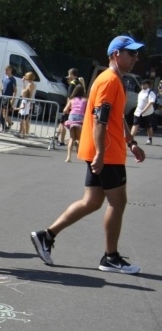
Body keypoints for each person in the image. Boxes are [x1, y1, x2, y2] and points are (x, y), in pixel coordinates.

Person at [31, 36, 146, 274]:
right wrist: (102, 153)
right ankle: (110, 257)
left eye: (136, 54)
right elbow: (99, 120)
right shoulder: (109, 81)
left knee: (92, 201)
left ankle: (46, 235)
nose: (136, 58)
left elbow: (117, 117)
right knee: (118, 202)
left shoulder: (115, 80)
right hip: (107, 152)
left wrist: (131, 141)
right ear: (116, 54)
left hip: (105, 149)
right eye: (131, 53)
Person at [56, 68, 85, 146]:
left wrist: (67, 107)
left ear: (72, 75)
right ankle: (57, 136)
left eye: (69, 74)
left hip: (71, 106)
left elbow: (69, 97)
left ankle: (61, 141)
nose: (68, 76)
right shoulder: (79, 83)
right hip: (77, 107)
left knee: (62, 123)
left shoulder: (72, 84)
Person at [62, 84, 87, 162]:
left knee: (72, 138)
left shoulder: (71, 100)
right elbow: (87, 110)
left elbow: (65, 110)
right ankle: (80, 155)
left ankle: (68, 157)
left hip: (72, 117)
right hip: (80, 118)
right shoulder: (85, 100)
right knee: (79, 137)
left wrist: (70, 109)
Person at [130, 78, 156, 145]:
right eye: (142, 84)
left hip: (147, 113)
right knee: (135, 124)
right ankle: (131, 139)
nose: (142, 86)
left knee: (148, 126)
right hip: (138, 112)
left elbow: (150, 103)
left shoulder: (150, 93)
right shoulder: (140, 92)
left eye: (144, 84)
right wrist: (139, 110)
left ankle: (149, 138)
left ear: (147, 85)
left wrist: (144, 111)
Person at [0, 64, 17, 131]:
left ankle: (4, 126)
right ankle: (10, 123)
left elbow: (15, 90)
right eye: (5, 70)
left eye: (7, 70)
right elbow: (2, 87)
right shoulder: (4, 78)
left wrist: (13, 99)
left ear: (10, 70)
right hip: (2, 97)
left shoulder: (13, 79)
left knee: (5, 113)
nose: (5, 71)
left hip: (8, 98)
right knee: (2, 112)